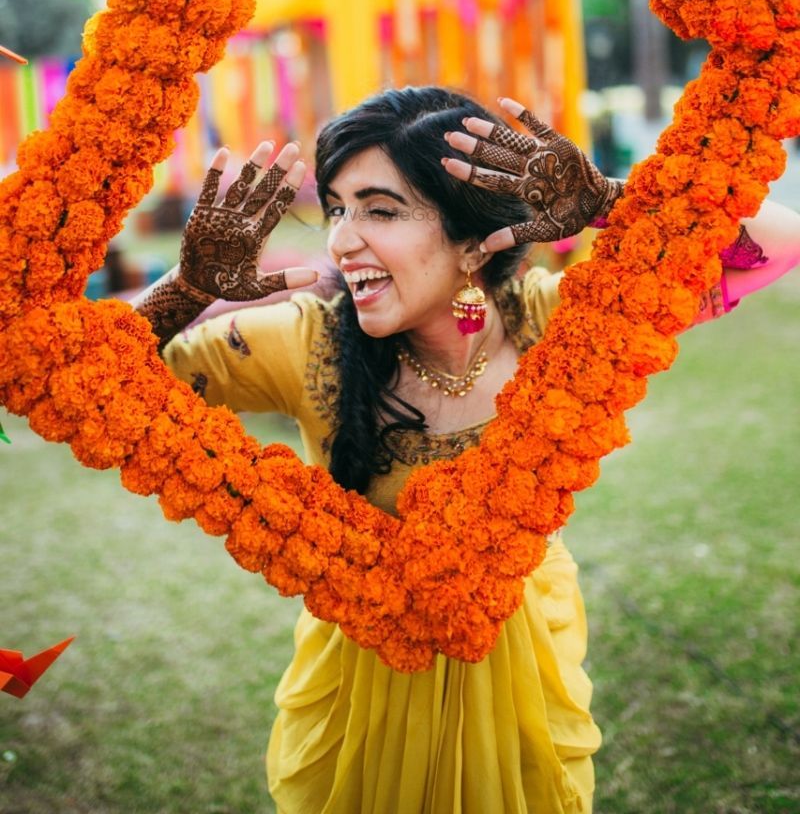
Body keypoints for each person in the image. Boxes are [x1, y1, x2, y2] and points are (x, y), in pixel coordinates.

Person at [132, 86, 800, 814]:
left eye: (380, 210)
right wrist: (184, 290)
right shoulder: (305, 341)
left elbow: (781, 243)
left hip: (523, 663)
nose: (342, 240)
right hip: (365, 677)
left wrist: (608, 197)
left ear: (472, 237)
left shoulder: (559, 323)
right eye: (337, 208)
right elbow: (86, 377)